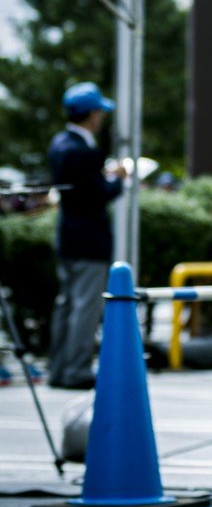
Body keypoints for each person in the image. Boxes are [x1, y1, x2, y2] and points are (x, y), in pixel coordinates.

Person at [45, 82, 126, 390]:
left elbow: (80, 189)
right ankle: (76, 371)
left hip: (67, 235)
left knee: (66, 305)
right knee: (84, 307)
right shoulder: (82, 150)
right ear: (92, 115)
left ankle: (58, 368)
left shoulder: (60, 143)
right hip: (89, 240)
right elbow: (97, 194)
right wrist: (117, 181)